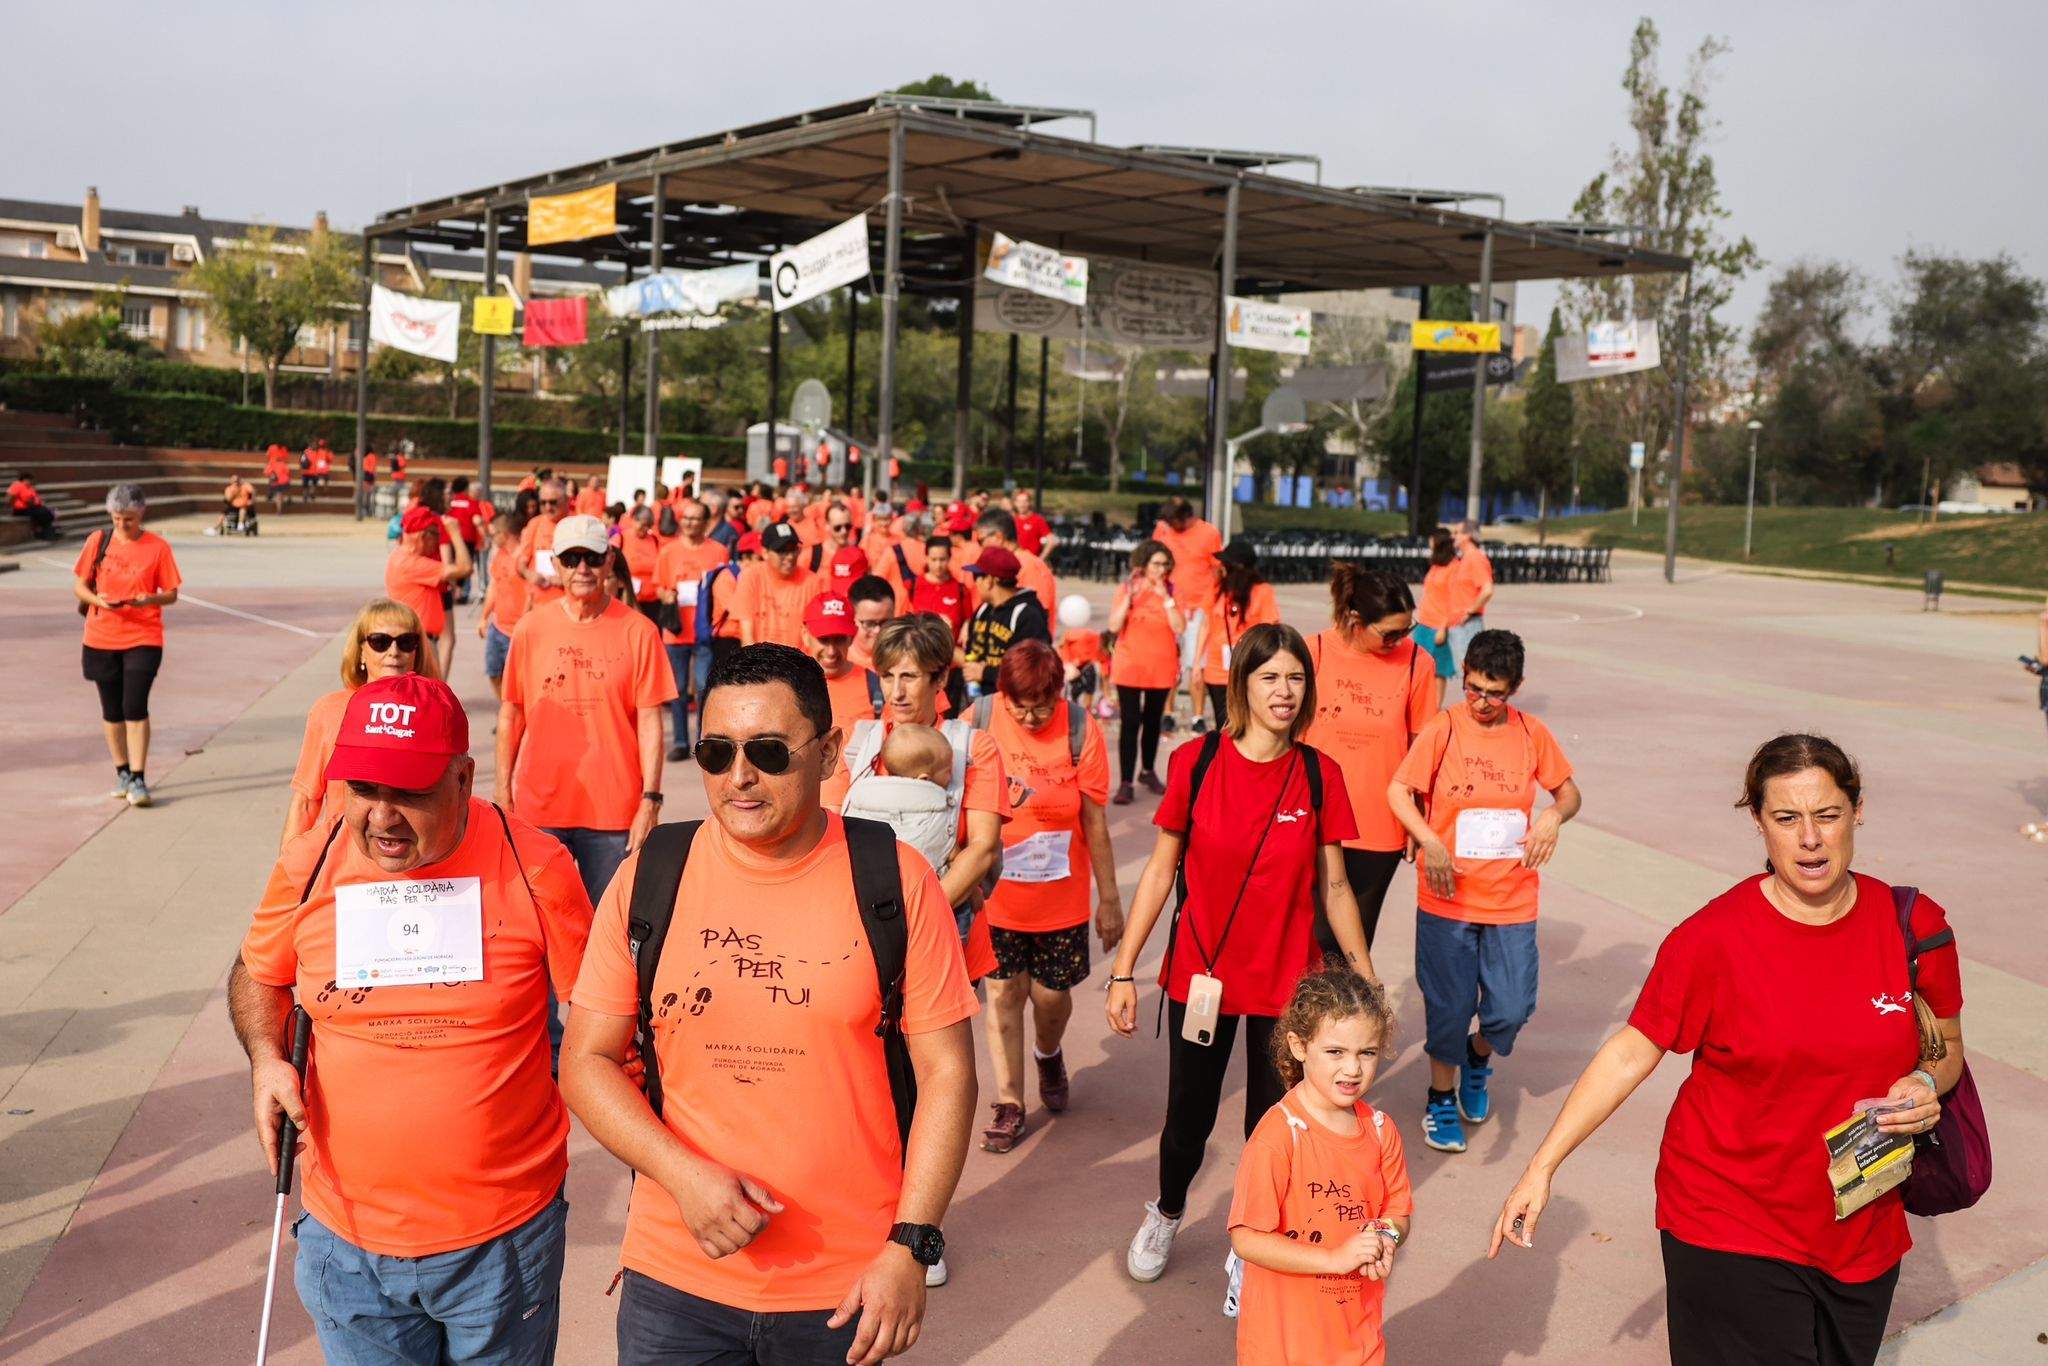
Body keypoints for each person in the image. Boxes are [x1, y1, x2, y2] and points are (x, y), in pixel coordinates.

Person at [1489, 734, 1966, 1366]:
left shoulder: (1913, 926)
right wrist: (1542, 1166)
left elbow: (1949, 1049)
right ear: (1759, 824)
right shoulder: (1712, 939)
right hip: (1731, 1217)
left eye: (1827, 815)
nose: (1810, 839)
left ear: (1857, 810)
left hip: (1864, 1229)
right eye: (1787, 819)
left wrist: (1926, 1087)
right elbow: (1633, 1050)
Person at [561, 644, 978, 1364]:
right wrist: (685, 1177)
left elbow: (948, 1073)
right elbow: (586, 1061)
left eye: (769, 752)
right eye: (716, 752)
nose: (740, 777)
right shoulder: (652, 874)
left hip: (845, 1290)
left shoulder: (894, 878)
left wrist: (911, 1245)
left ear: (830, 750)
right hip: (676, 1278)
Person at [229, 674, 592, 1365]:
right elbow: (257, 972)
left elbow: (605, 1024)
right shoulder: (312, 861)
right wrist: (266, 1061)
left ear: (463, 777)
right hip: (347, 1239)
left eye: (410, 793)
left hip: (503, 1241)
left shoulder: (537, 865)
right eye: (364, 789)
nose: (382, 817)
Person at [1104, 623, 1376, 1286]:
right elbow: (1162, 872)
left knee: (1271, 1127)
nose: (1284, 691)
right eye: (1269, 677)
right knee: (1186, 1121)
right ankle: (1167, 1211)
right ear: (1241, 685)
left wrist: (1365, 981)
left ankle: (1250, 1243)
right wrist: (1122, 970)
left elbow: (1335, 886)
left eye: (1295, 678)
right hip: (1202, 979)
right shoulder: (1195, 764)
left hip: (1290, 986)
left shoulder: (1318, 775)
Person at [1386, 628, 1579, 1154]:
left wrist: (1552, 817)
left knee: (1511, 1010)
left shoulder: (1530, 733)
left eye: (1495, 693)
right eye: (1473, 688)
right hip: (1446, 895)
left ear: (1515, 688)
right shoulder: (1443, 729)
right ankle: (1440, 1098)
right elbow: (1399, 791)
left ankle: (1478, 1055)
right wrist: (1429, 840)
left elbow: (1568, 793)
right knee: (1447, 1005)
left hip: (1511, 898)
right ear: (1465, 674)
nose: (1482, 702)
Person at [974, 641, 1122, 1154]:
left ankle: (1048, 1050)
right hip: (997, 898)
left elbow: (1095, 822)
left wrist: (1109, 900)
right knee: (1003, 993)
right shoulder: (981, 720)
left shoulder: (1081, 728)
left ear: (1058, 694)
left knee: (1051, 998)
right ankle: (1009, 1102)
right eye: (1022, 706)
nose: (1031, 716)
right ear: (1003, 693)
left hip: (1062, 901)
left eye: (1042, 705)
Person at [1229, 968, 1410, 1362]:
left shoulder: (1381, 1131)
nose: (1352, 1069)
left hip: (1357, 1340)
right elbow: (1246, 1238)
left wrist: (1385, 1239)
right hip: (1281, 1347)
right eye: (1335, 1052)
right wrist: (1334, 1259)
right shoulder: (1279, 1136)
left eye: (1367, 1052)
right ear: (1299, 1046)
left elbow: (1397, 1214)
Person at [498, 514, 676, 904]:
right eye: (572, 558)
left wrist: (651, 799)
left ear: (609, 561)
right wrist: (503, 792)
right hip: (539, 807)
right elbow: (512, 713)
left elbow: (650, 723)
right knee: (541, 927)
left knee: (608, 928)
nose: (582, 568)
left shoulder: (639, 631)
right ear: (557, 564)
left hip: (614, 811)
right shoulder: (531, 628)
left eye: (592, 558)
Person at [1303, 565, 1438, 952]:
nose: (1400, 640)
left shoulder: (1417, 663)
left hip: (1378, 827)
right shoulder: (1313, 652)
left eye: (1407, 630)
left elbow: (1421, 747)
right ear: (1355, 619)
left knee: (1351, 945)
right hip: (1312, 820)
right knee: (1309, 940)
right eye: (1390, 632)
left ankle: (1343, 1015)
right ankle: (1299, 1016)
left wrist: (1418, 818)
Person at [281, 597, 442, 849]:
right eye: (380, 641)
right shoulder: (329, 711)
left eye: (406, 641)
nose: (394, 651)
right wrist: (288, 872)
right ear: (361, 651)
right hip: (345, 858)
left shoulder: (436, 711)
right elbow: (305, 801)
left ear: (417, 651)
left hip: (412, 858)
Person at [74, 483, 180, 808]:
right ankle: (121, 771)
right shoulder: (98, 540)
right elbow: (80, 586)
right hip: (101, 635)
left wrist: (150, 598)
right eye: (117, 519)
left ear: (141, 514)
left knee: (135, 705)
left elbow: (172, 593)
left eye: (129, 520)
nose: (122, 525)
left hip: (143, 636)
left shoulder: (157, 547)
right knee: (112, 709)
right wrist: (100, 602)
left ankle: (138, 776)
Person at [653, 498, 731, 762]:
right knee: (676, 688)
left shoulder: (718, 551)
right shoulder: (668, 552)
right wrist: (666, 595)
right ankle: (679, 741)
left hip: (705, 630)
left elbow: (726, 586)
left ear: (705, 522)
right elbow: (658, 586)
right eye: (685, 518)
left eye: (695, 518)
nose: (689, 523)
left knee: (703, 687)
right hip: (676, 629)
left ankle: (703, 741)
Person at [1107, 539, 1185, 804]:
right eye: (1156, 564)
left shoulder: (1172, 591)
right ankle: (1126, 781)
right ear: (1143, 564)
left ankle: (1148, 770)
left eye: (1165, 564)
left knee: (1153, 721)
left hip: (1161, 665)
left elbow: (1180, 627)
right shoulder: (1127, 588)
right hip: (1130, 664)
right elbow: (1114, 625)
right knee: (1130, 722)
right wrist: (1128, 598)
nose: (1161, 569)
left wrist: (1166, 599)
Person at [841, 723, 961, 871]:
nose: (952, 775)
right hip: (917, 886)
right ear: (924, 779)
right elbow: (954, 856)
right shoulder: (939, 814)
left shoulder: (859, 798)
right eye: (948, 771)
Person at [805, 594, 883, 811]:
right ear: (805, 635)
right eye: (823, 639)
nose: (831, 651)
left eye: (839, 639)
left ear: (851, 637)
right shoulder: (787, 684)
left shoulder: (876, 686)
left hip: (860, 814)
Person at [1151, 497, 1224, 724]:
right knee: (1169, 662)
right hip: (1170, 607)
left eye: (1175, 522)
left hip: (1198, 609)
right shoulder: (1163, 532)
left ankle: (1197, 716)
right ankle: (1167, 713)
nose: (1173, 526)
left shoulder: (1208, 533)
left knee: (1196, 665)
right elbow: (1151, 563)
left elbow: (1217, 570)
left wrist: (1212, 603)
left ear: (1186, 517)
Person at [1196, 540, 1280, 732]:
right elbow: (1206, 624)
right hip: (1217, 668)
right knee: (1223, 725)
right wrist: (1197, 661)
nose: (1221, 567)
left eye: (1226, 563)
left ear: (1238, 567)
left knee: (1246, 725)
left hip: (1248, 668)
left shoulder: (1262, 592)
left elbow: (1270, 628)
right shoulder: (1218, 589)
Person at [384, 505, 470, 667]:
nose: (438, 542)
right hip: (417, 643)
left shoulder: (400, 556)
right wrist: (455, 534)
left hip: (417, 641)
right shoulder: (411, 563)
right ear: (424, 536)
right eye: (437, 535)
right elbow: (465, 568)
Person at [960, 545, 1051, 697]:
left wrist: (986, 673)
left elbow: (1033, 671)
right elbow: (971, 654)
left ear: (989, 580)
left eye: (976, 576)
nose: (975, 583)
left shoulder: (1028, 616)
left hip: (1011, 706)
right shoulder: (983, 611)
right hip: (978, 701)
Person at [734, 522, 817, 648]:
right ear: (765, 553)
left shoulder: (813, 582)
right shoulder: (751, 577)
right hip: (761, 662)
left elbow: (815, 636)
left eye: (793, 549)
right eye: (782, 551)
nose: (790, 556)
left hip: (798, 664)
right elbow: (747, 635)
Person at [476, 512, 531, 700]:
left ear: (504, 533)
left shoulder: (524, 558)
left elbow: (532, 595)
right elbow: (494, 586)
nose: (492, 538)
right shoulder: (500, 555)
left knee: (517, 681)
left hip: (516, 632)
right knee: (493, 673)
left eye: (494, 534)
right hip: (498, 627)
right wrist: (484, 617)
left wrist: (523, 626)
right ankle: (506, 710)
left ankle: (517, 717)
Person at [967, 509, 1057, 609]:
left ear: (998, 537)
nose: (980, 547)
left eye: (981, 541)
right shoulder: (1002, 564)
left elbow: (1037, 615)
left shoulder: (1029, 567)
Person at [1409, 528, 1459, 706]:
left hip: (1438, 625)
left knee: (1439, 671)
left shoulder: (1454, 567)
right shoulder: (1436, 565)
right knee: (1420, 668)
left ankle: (1436, 707)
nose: (1429, 544)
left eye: (1432, 541)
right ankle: (1422, 705)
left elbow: (1454, 602)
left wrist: (1443, 628)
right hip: (1423, 624)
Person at [1447, 519, 1495, 674]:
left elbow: (1487, 589)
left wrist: (1469, 611)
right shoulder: (1464, 559)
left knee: (1472, 674)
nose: (1453, 536)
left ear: (1467, 535)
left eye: (1457, 532)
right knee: (1466, 674)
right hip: (1458, 625)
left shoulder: (1475, 558)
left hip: (1468, 625)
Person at [618, 505, 663, 624]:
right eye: (643, 525)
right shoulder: (621, 538)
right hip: (629, 599)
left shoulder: (654, 540)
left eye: (648, 526)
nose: (645, 529)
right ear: (633, 520)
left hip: (653, 600)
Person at [447, 475, 488, 603]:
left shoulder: (450, 501)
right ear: (465, 489)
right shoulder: (471, 502)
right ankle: (459, 592)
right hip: (467, 539)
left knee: (451, 564)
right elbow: (477, 521)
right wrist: (485, 537)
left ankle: (451, 591)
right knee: (464, 566)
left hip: (449, 537)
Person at [846, 573, 896, 671]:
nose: (877, 630)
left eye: (885, 622)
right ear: (851, 620)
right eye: (869, 624)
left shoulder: (908, 658)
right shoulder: (837, 662)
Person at [8, 471, 58, 539]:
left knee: (49, 512)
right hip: (21, 509)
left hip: (31, 508)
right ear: (25, 479)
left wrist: (39, 503)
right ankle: (46, 534)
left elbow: (36, 498)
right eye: (30, 480)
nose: (31, 482)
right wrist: (11, 505)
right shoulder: (17, 485)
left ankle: (48, 533)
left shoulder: (30, 488)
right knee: (44, 513)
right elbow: (11, 497)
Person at [1010, 488, 1054, 558]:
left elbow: (1051, 541)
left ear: (1029, 503)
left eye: (1025, 501)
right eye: (1019, 501)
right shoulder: (1011, 520)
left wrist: (1041, 559)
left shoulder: (1037, 520)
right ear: (1015, 503)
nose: (1022, 504)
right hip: (1015, 561)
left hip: (1032, 562)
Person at [264, 443, 291, 515]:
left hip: (276, 477)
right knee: (280, 493)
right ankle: (286, 499)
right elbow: (288, 472)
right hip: (282, 479)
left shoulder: (283, 449)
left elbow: (266, 472)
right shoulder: (272, 447)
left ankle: (279, 507)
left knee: (278, 494)